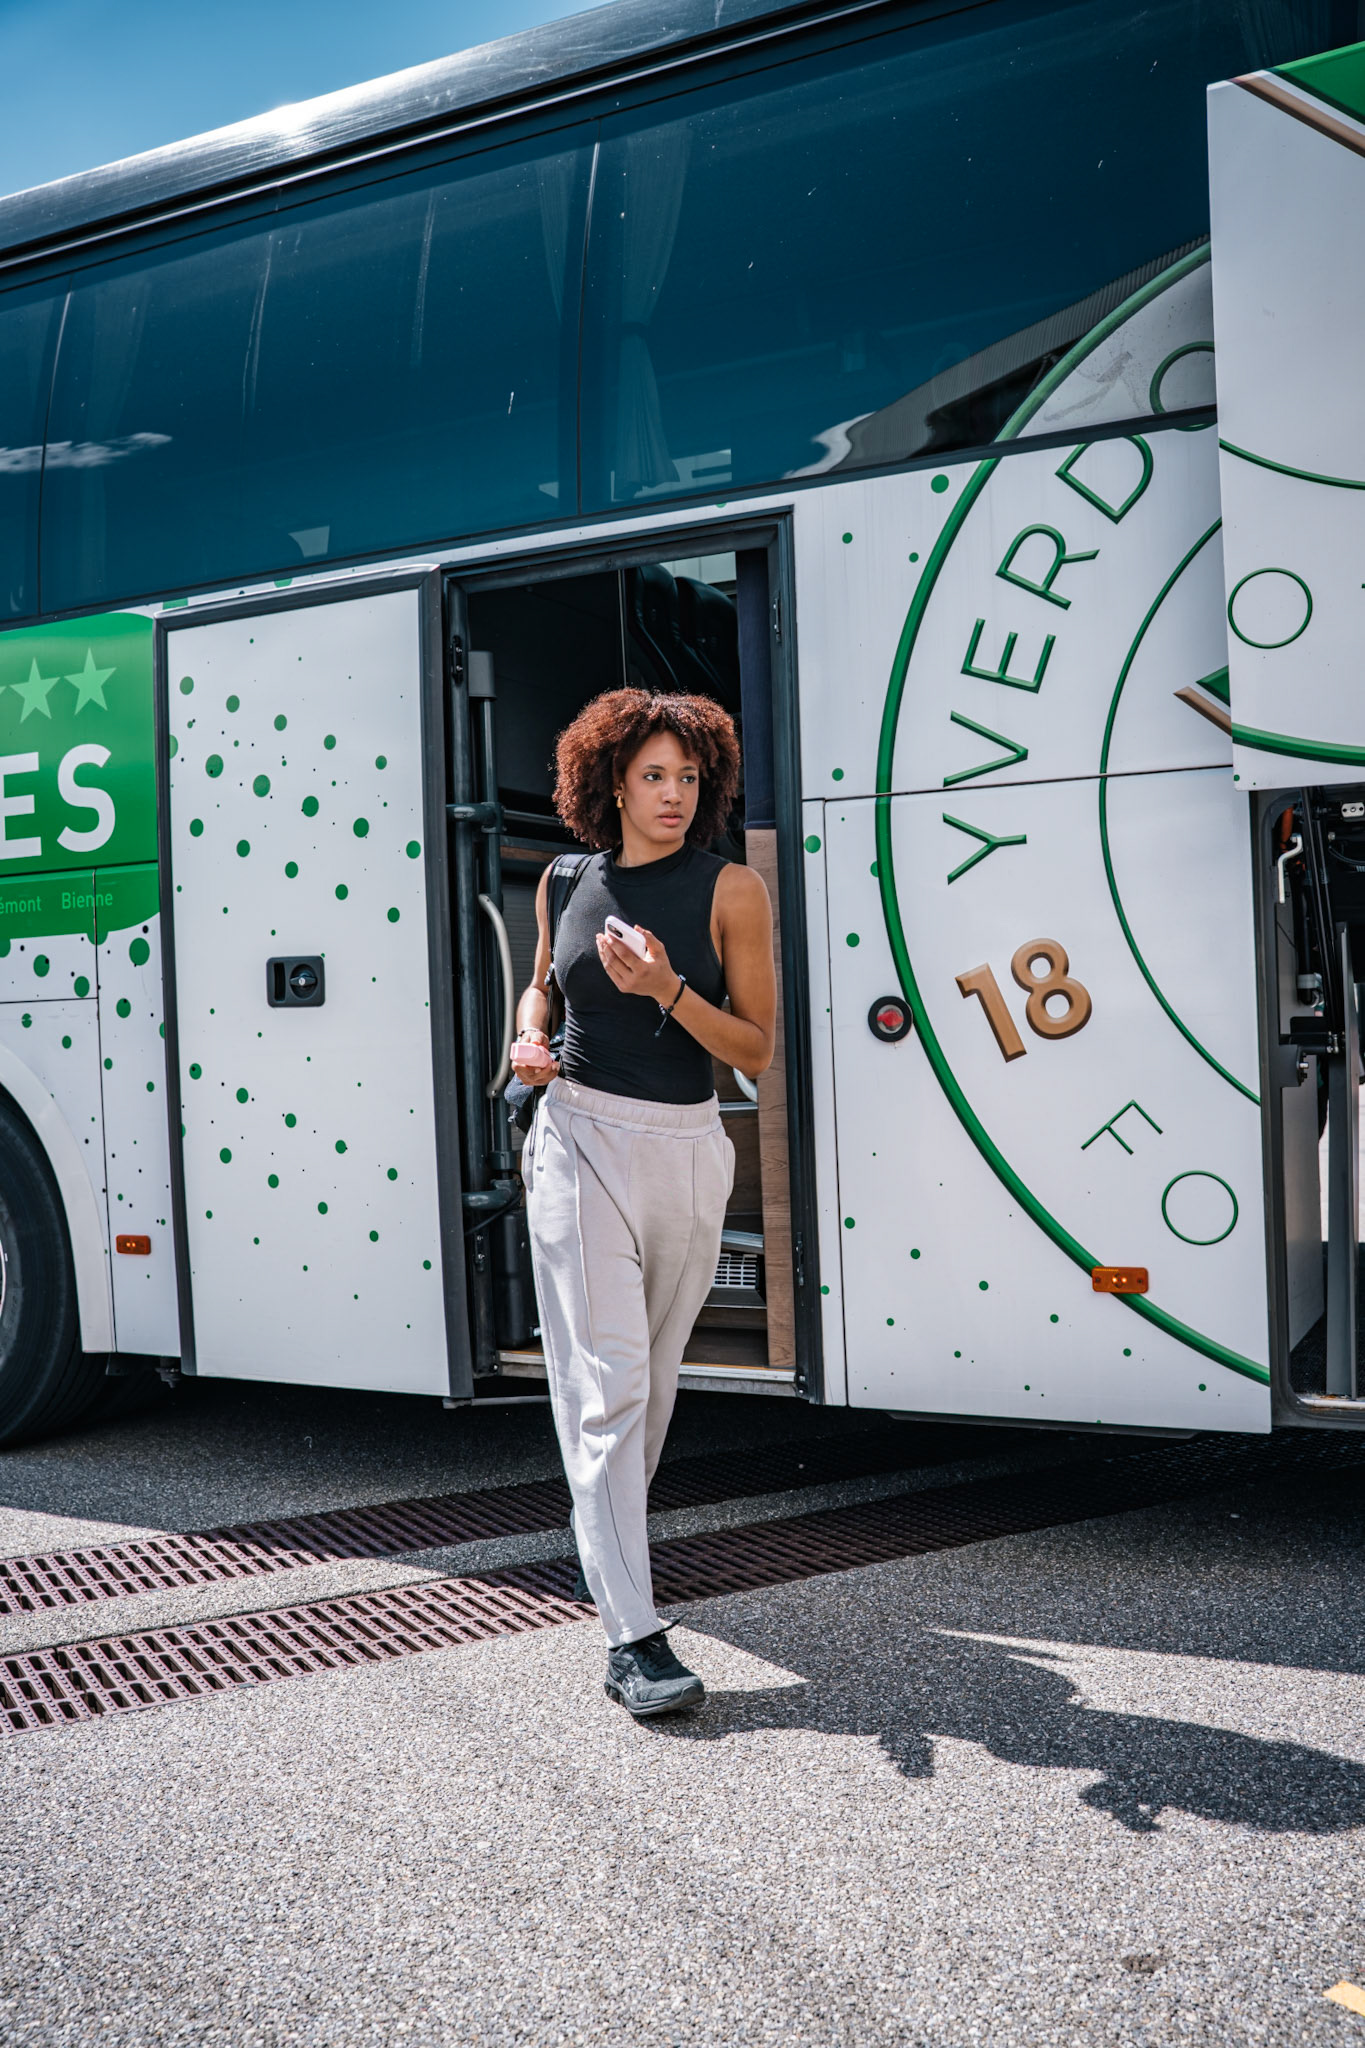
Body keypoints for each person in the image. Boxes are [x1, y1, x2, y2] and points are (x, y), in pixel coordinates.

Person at [511, 688, 775, 1718]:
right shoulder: (568, 875)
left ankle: (603, 1543)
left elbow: (754, 1048)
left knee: (653, 1383)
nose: (674, 794)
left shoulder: (731, 891)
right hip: (576, 1135)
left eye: (690, 777)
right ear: (612, 778)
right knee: (611, 1382)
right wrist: (528, 1037)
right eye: (655, 774)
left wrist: (668, 987)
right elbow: (545, 985)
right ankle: (634, 1636)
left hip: (686, 1150)